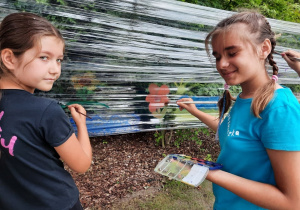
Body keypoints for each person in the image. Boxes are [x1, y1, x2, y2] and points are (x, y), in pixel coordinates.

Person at [177, 11, 300, 209]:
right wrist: (195, 111)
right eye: (217, 56)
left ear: (264, 48)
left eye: (232, 53)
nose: (222, 64)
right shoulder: (245, 98)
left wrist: (209, 172)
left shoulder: (279, 108)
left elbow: (292, 202)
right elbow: (233, 132)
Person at [0, 12, 92, 210]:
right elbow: (81, 164)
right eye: (44, 57)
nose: (55, 70)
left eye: (58, 60)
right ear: (9, 58)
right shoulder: (46, 112)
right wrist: (81, 125)